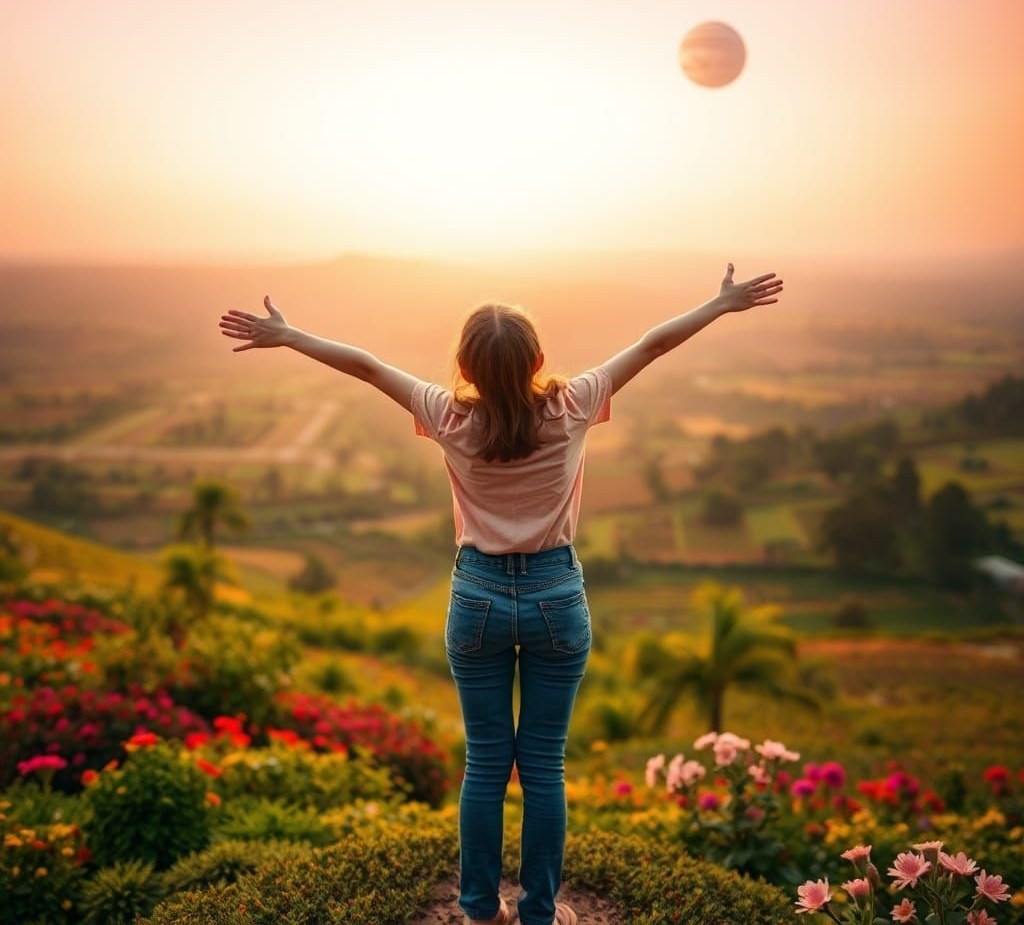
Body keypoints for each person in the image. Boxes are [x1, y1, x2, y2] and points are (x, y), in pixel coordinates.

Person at [218, 261, 784, 925]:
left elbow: (368, 367)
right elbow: (653, 345)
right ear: (539, 359)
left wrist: (290, 336)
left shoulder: (447, 416)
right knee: (543, 766)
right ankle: (540, 912)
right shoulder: (572, 404)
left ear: (464, 366)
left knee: (485, 765)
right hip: (556, 597)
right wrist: (718, 305)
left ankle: (480, 911)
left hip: (477, 598)